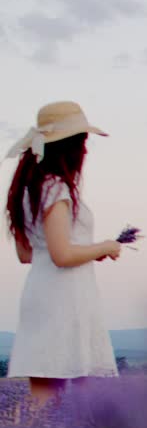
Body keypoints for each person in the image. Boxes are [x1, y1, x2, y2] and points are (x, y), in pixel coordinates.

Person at [4, 101, 128, 409]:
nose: (85, 151)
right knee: (86, 399)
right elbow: (61, 255)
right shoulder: (57, 189)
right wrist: (105, 247)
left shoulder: (29, 190)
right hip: (65, 298)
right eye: (83, 143)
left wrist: (84, 253)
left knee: (43, 402)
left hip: (41, 293)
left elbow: (29, 255)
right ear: (71, 147)